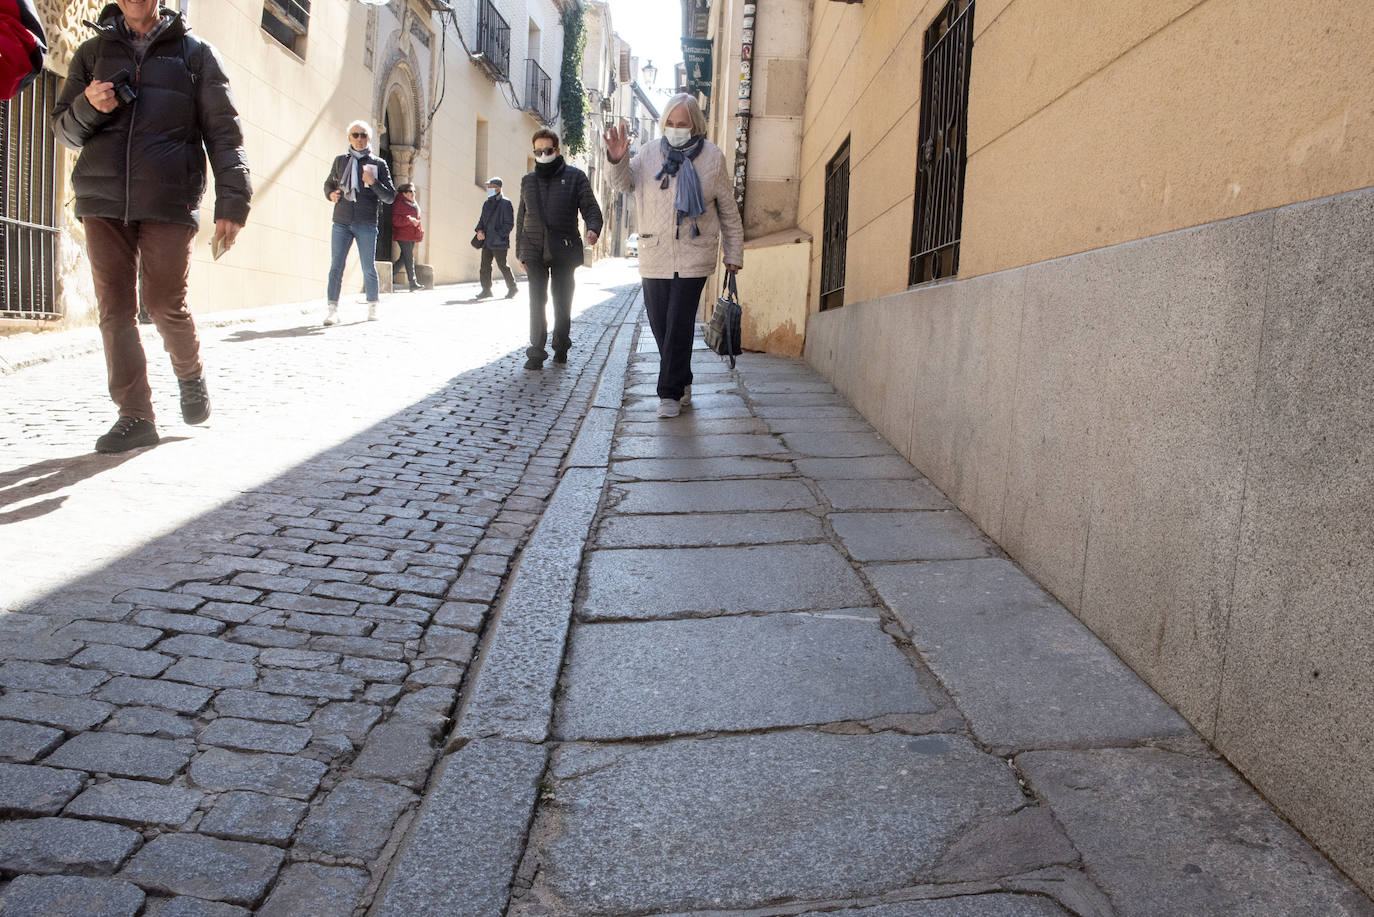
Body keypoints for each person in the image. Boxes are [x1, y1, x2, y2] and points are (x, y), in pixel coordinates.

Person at [52, 0, 250, 453]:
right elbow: (63, 130)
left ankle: (190, 372)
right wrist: (87, 106)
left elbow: (225, 133)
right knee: (114, 311)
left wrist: (232, 203)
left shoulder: (196, 55)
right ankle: (135, 415)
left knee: (163, 304)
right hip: (102, 200)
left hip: (168, 198)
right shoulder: (90, 53)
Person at [604, 93, 742, 418]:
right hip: (655, 254)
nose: (675, 128)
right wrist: (616, 159)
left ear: (695, 125)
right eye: (670, 122)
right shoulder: (650, 153)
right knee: (660, 325)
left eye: (682, 123)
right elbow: (623, 184)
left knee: (680, 322)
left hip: (695, 255)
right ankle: (682, 378)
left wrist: (733, 252)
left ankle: (668, 393)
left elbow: (728, 210)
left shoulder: (712, 157)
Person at [515, 129, 602, 369]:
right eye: (538, 151)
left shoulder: (575, 177)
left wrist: (593, 229)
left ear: (557, 150)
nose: (543, 154)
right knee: (536, 299)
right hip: (533, 249)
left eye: (548, 150)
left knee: (561, 301)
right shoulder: (528, 181)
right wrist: (519, 251)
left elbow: (590, 208)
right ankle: (536, 351)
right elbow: (521, 217)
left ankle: (561, 345)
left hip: (564, 248)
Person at [323, 119, 395, 325]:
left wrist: (374, 183)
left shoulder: (378, 164)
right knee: (336, 265)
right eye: (355, 135)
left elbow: (390, 196)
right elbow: (329, 183)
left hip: (366, 221)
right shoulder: (340, 161)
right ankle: (332, 309)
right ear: (349, 138)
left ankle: (373, 305)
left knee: (367, 267)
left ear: (370, 138)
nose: (359, 139)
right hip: (342, 220)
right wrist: (331, 194)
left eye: (363, 135)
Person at [474, 176, 517, 300]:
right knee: (484, 266)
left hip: (499, 242)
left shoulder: (506, 203)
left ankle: (512, 288)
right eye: (488, 187)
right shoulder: (487, 203)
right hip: (487, 241)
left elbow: (509, 224)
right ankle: (486, 290)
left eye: (491, 187)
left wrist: (499, 235)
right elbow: (481, 220)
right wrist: (479, 230)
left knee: (502, 265)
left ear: (498, 188)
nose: (488, 189)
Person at [391, 182, 423, 292]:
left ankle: (388, 276)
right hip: (403, 235)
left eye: (414, 191)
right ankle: (413, 283)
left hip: (411, 235)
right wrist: (409, 220)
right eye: (410, 191)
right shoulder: (399, 202)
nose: (413, 193)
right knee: (409, 258)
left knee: (403, 259)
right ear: (404, 193)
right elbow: (395, 220)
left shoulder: (412, 203)